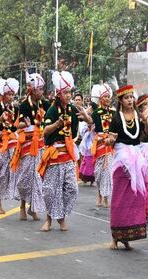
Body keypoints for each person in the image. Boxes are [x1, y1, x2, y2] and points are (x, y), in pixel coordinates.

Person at [38, 71, 91, 231]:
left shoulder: (73, 109)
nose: (69, 95)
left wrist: (86, 117)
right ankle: (49, 220)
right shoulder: (53, 110)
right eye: (66, 93)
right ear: (59, 94)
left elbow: (91, 124)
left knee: (71, 189)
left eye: (70, 92)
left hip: (68, 155)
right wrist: (57, 124)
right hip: (54, 155)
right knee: (50, 190)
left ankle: (60, 215)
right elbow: (45, 130)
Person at [105, 85, 148, 250]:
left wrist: (146, 121)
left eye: (132, 97)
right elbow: (110, 139)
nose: (130, 100)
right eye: (127, 98)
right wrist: (109, 140)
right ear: (120, 101)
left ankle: (127, 236)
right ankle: (115, 237)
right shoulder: (116, 118)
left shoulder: (138, 116)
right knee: (119, 200)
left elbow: (146, 133)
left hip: (136, 159)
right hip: (121, 162)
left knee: (134, 198)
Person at [11, 73, 49, 221]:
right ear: (33, 90)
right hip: (27, 145)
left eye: (42, 89)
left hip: (40, 144)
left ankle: (33, 208)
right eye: (40, 89)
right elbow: (17, 124)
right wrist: (25, 124)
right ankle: (22, 206)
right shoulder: (24, 105)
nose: (42, 92)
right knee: (25, 178)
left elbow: (52, 114)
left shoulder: (44, 104)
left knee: (38, 177)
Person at [0, 78, 20, 214]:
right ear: (3, 95)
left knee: (14, 171)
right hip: (0, 144)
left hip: (12, 143)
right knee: (0, 175)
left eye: (13, 94)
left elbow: (15, 128)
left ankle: (16, 195)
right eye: (9, 94)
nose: (11, 97)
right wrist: (1, 119)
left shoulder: (15, 109)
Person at [87, 84, 114, 208]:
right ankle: (99, 194)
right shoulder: (96, 112)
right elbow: (90, 122)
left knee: (108, 172)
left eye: (109, 96)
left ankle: (106, 197)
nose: (107, 99)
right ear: (101, 99)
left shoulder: (113, 112)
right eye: (105, 97)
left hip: (110, 145)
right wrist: (85, 114)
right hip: (99, 144)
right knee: (98, 172)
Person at [77, 93, 96, 185]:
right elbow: (82, 128)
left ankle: (91, 177)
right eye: (88, 107)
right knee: (86, 158)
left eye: (90, 107)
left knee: (90, 159)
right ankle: (85, 176)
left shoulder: (94, 117)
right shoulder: (85, 116)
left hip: (92, 139)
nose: (88, 108)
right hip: (86, 139)